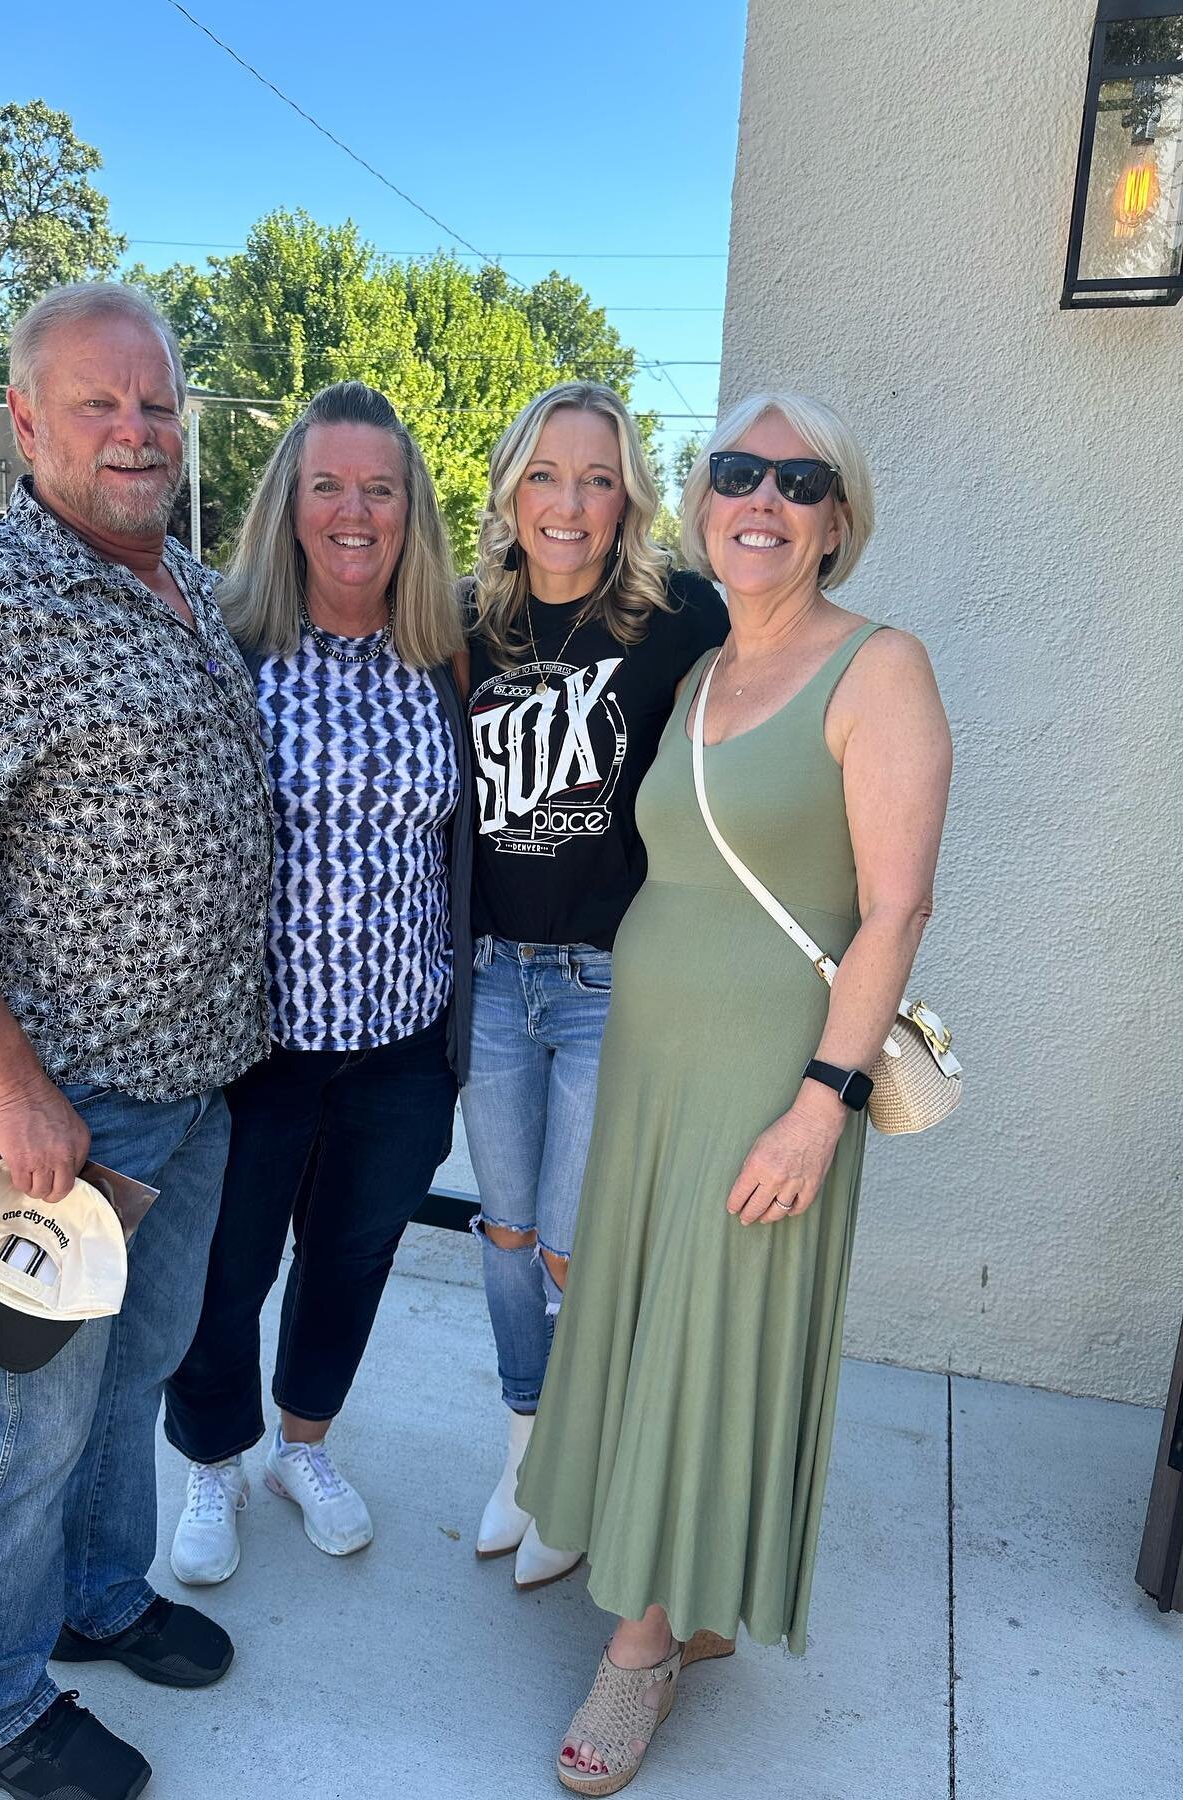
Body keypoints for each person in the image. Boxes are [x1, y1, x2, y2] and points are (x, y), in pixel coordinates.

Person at [0, 283, 272, 1800]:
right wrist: (17, 1093)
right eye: (99, 405)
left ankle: (98, 1599)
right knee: (32, 1411)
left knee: (136, 1368)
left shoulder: (183, 586)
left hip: (191, 1081)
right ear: (27, 422)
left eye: (156, 403)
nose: (136, 430)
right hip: (60, 1113)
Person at [514, 391, 953, 1793]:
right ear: (703, 501)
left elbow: (894, 912)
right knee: (649, 1319)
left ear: (837, 520)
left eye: (799, 480)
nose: (761, 498)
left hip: (770, 1073)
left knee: (713, 1327)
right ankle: (683, 1594)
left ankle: (639, 1649)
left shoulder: (880, 669)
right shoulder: (700, 666)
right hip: (650, 1064)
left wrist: (821, 1099)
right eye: (737, 471)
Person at [163, 381, 469, 1578]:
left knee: (353, 1256)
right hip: (257, 1045)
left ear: (410, 511)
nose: (355, 511)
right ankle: (210, 1460)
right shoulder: (229, 643)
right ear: (290, 504)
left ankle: (305, 1442)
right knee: (224, 1268)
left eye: (379, 489)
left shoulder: (448, 656)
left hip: (401, 1042)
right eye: (328, 485)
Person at [459, 381, 729, 1588]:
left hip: (606, 979)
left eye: (599, 479)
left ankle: (578, 1466)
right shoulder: (464, 620)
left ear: (629, 499)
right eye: (547, 476)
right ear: (513, 486)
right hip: (487, 978)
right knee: (507, 1235)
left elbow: (763, 742)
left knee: (574, 1247)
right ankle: (525, 1448)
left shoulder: (680, 620)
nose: (569, 504)